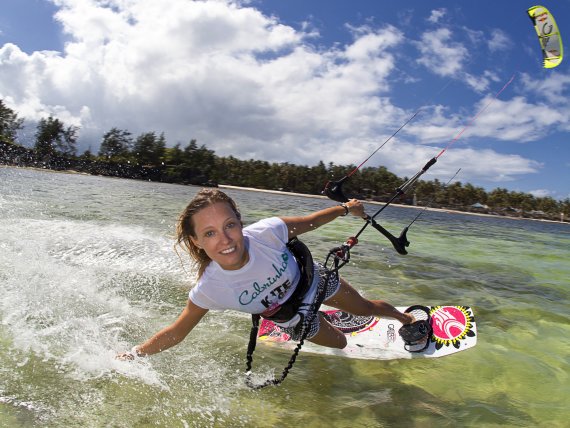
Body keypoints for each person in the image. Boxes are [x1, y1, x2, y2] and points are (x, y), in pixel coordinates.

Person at [117, 188, 413, 360]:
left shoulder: (267, 232)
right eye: (209, 233)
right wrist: (135, 354)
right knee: (341, 344)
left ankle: (407, 319)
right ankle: (323, 320)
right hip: (290, 316)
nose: (225, 239)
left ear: (239, 222)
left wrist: (346, 209)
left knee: (367, 308)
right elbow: (176, 332)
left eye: (229, 225)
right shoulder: (210, 289)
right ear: (197, 241)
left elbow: (313, 221)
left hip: (313, 283)